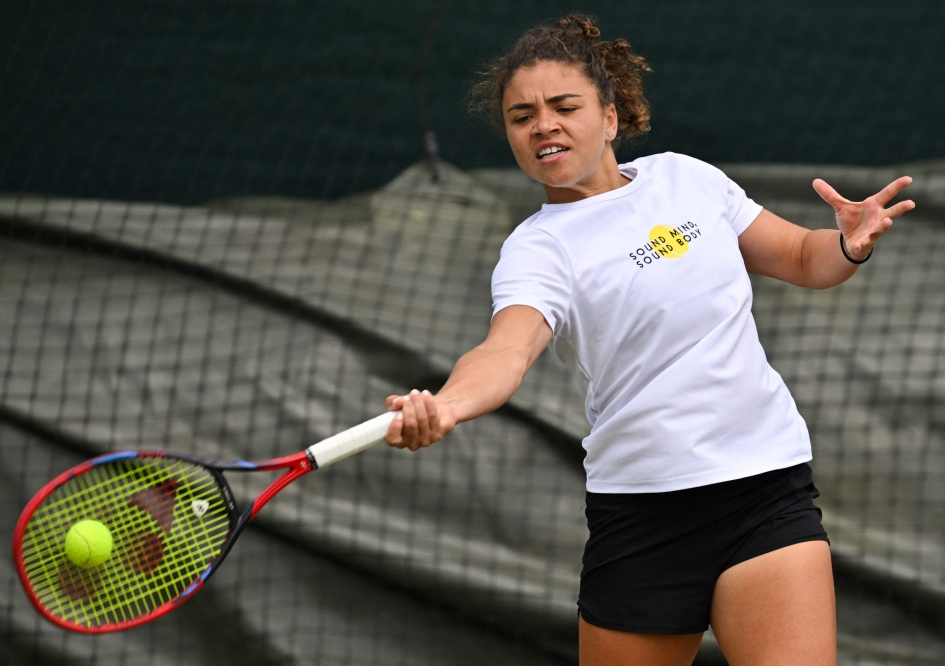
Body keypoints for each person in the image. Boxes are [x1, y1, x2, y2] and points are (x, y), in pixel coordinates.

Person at [382, 15, 915, 666]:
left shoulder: (686, 179)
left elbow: (805, 259)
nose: (543, 123)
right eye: (522, 116)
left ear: (610, 116)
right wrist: (449, 404)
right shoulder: (537, 249)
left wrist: (846, 243)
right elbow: (505, 350)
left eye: (563, 106)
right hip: (643, 516)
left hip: (763, 488)